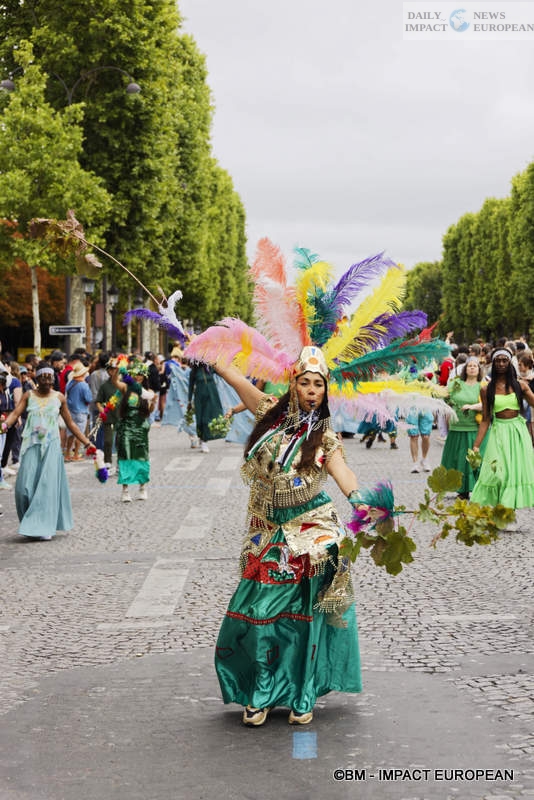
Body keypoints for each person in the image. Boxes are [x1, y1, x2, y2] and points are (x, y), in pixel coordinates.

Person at [212, 347, 362, 727]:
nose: (312, 390)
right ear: (292, 385)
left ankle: (302, 694)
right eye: (305, 382)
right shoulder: (270, 414)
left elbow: (341, 469)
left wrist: (361, 500)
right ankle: (260, 692)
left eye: (318, 385)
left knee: (305, 621)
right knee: (258, 615)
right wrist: (212, 353)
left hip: (311, 533)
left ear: (325, 393)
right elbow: (233, 377)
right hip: (267, 534)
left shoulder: (324, 435)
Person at [0, 360, 94, 540]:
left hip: (51, 448)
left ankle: (43, 527)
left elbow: (71, 423)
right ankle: (31, 521)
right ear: (37, 377)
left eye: (49, 377)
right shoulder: (28, 395)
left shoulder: (59, 398)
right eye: (43, 377)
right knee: (23, 489)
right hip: (31, 446)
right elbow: (15, 414)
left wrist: (87, 442)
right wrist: (4, 425)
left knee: (46, 488)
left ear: (53, 380)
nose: (46, 381)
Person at [471, 348, 534, 522]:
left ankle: (509, 515)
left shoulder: (520, 385)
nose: (500, 363)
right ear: (493, 363)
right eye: (497, 360)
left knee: (513, 473)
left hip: (517, 432)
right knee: (499, 473)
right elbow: (485, 419)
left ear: (509, 362)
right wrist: (476, 445)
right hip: (498, 433)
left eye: (504, 360)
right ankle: (500, 511)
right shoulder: (486, 389)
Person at [110, 360, 156, 502]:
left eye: (140, 375)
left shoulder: (148, 392)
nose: (137, 377)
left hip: (141, 427)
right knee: (125, 456)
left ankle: (142, 488)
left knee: (142, 457)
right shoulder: (125, 387)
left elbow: (150, 410)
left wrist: (152, 404)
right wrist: (117, 369)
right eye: (135, 374)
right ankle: (125, 490)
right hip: (126, 426)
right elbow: (115, 382)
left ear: (144, 376)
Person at [440, 357, 485, 499]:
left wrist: (472, 407)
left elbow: (487, 405)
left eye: (475, 366)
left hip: (473, 427)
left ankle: (476, 487)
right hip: (456, 427)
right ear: (465, 369)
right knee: (458, 458)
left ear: (479, 370)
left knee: (473, 459)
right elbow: (444, 396)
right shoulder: (456, 383)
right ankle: (461, 489)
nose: (472, 368)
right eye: (469, 366)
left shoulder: (482, 386)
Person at [187, 363, 223, 453]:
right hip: (200, 398)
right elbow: (190, 386)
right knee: (201, 419)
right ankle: (202, 438)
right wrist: (189, 400)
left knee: (208, 419)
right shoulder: (194, 371)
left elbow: (223, 373)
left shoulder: (211, 368)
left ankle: (204, 441)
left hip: (212, 396)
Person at [64, 362, 92, 461]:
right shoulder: (84, 385)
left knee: (70, 433)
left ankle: (67, 453)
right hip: (81, 412)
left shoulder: (69, 383)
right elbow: (88, 399)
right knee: (79, 434)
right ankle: (76, 454)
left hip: (70, 412)